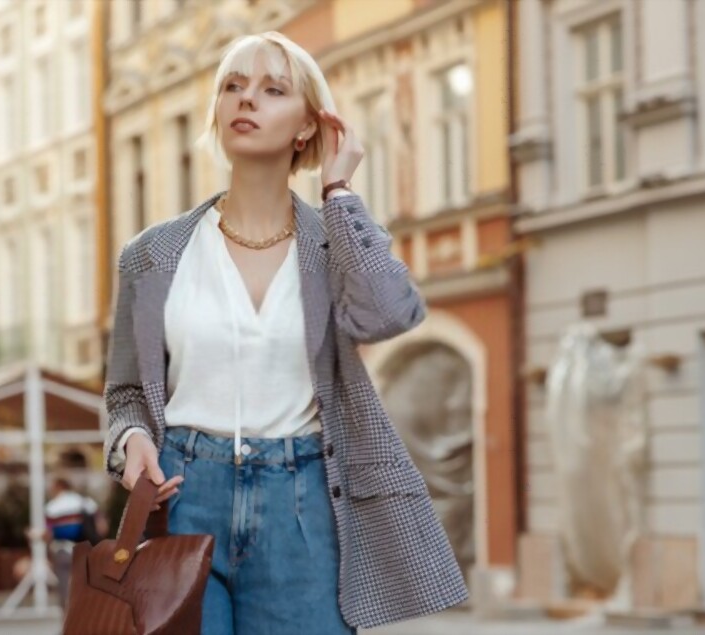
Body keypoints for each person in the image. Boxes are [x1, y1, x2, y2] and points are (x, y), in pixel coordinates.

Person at [102, 31, 468, 634]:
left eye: (273, 90)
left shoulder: (334, 242)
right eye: (232, 87)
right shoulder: (153, 254)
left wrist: (339, 189)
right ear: (217, 112)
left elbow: (390, 314)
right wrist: (131, 440)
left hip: (303, 504)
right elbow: (124, 395)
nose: (246, 100)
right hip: (185, 494)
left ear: (307, 127)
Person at [43, 477, 99, 613]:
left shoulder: (52, 507)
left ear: (58, 487)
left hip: (62, 550)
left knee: (65, 587)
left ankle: (69, 623)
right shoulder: (86, 502)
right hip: (86, 550)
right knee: (87, 585)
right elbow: (100, 526)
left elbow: (48, 534)